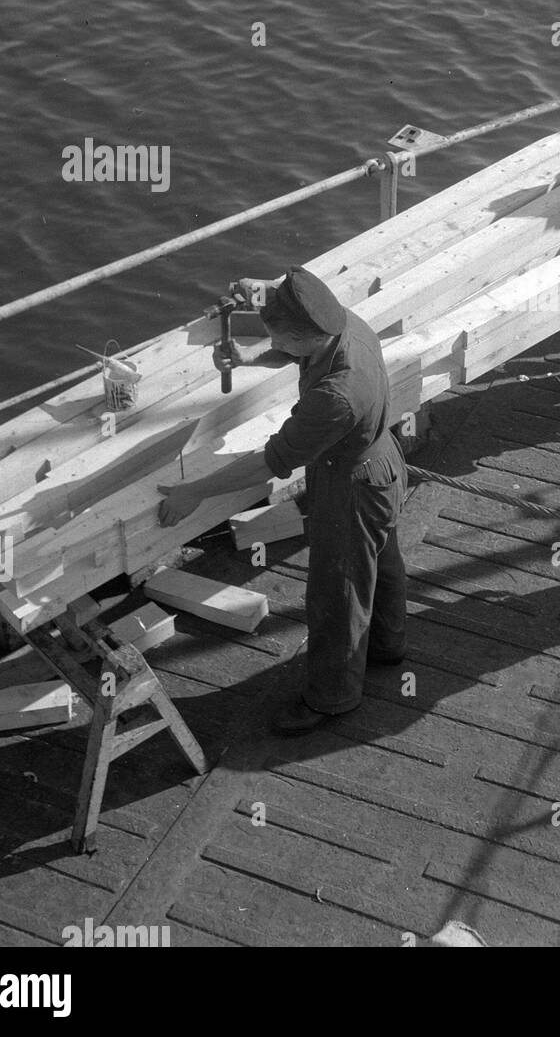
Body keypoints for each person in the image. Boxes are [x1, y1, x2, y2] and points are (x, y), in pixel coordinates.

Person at [157, 265, 408, 736]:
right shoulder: (343, 325)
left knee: (339, 592)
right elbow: (296, 352)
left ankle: (332, 698)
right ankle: (387, 646)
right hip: (382, 465)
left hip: (350, 485)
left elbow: (268, 463)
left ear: (304, 337)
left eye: (280, 339)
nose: (279, 347)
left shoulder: (337, 396)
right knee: (382, 561)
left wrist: (195, 492)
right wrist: (249, 356)